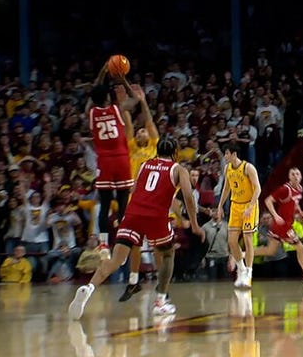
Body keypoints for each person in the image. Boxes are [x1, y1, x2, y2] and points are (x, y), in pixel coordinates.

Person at [70, 137, 204, 320]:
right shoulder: (178, 169)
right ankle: (160, 302)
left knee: (116, 259)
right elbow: (188, 197)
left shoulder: (144, 165)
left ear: (157, 151)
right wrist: (195, 225)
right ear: (175, 153)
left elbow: (134, 189)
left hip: (133, 213)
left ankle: (89, 288)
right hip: (156, 216)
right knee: (167, 254)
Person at [120, 84, 162, 302]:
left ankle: (162, 283)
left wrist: (143, 101)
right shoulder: (131, 147)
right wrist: (126, 101)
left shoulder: (154, 146)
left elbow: (148, 121)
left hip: (153, 200)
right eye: (138, 132)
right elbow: (126, 120)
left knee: (157, 243)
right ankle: (134, 280)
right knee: (134, 243)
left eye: (142, 130)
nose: (140, 131)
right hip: (134, 200)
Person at [252, 167, 303, 283]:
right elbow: (268, 200)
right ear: (289, 177)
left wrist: (299, 212)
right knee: (301, 248)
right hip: (283, 226)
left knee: (269, 251)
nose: (295, 176)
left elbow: (295, 203)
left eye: (297, 174)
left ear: (301, 176)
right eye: (293, 174)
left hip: (285, 225)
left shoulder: (300, 189)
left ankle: (241, 255)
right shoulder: (285, 189)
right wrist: (275, 215)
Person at [88, 81, 133, 237]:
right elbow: (135, 100)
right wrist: (124, 81)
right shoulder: (116, 109)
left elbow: (93, 95)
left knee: (104, 206)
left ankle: (104, 244)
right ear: (107, 97)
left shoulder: (92, 113)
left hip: (104, 161)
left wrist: (101, 75)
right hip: (120, 159)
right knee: (123, 205)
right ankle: (123, 239)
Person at [216, 143, 261, 289]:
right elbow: (226, 188)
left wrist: (250, 206)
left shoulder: (248, 168)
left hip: (249, 205)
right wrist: (220, 206)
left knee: (248, 239)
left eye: (227, 153)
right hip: (235, 205)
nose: (225, 156)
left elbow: (258, 189)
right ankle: (240, 269)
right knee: (232, 241)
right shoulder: (227, 168)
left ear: (234, 154)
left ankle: (249, 272)